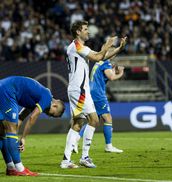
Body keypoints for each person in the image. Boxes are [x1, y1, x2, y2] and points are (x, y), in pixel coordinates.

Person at [60, 20, 126, 169]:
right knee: (92, 120)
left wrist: (119, 49)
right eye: (85, 29)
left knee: (81, 123)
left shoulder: (81, 47)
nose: (88, 31)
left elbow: (101, 57)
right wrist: (107, 45)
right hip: (79, 89)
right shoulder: (76, 46)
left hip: (82, 89)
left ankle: (73, 159)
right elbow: (98, 57)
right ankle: (78, 158)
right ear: (78, 32)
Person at [0, 76, 65, 176]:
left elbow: (21, 118)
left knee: (3, 131)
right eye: (52, 114)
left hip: (3, 87)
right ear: (55, 105)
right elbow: (32, 117)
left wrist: (14, 140)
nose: (48, 114)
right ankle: (20, 168)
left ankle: (11, 167)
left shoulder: (35, 99)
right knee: (10, 129)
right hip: (8, 91)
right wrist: (23, 138)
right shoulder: (47, 97)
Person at [74, 46, 125, 154]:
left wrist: (113, 70)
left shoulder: (99, 62)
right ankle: (108, 146)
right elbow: (111, 77)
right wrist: (120, 73)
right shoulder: (106, 62)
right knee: (107, 118)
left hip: (91, 91)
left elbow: (105, 75)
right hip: (98, 94)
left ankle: (75, 141)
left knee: (93, 120)